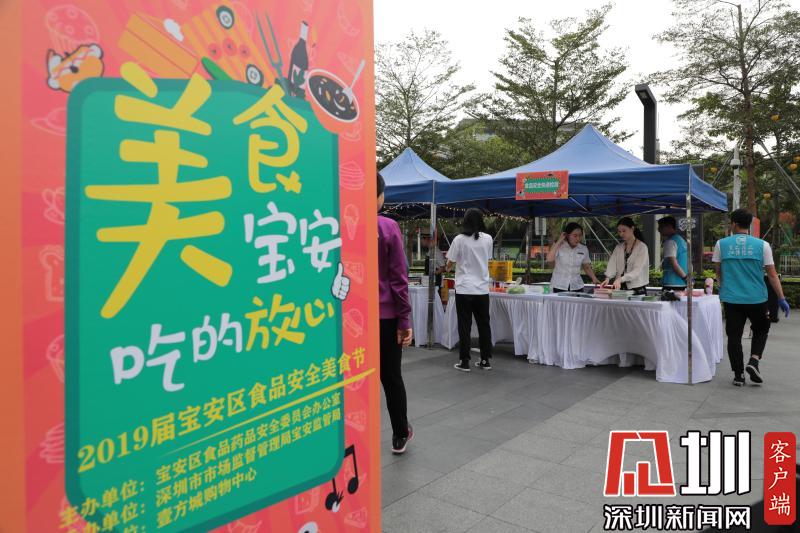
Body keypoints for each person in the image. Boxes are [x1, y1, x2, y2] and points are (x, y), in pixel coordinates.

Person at [712, 208, 790, 387]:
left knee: (734, 336)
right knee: (761, 329)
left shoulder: (721, 244)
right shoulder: (763, 245)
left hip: (732, 299)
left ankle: (738, 375)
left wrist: (723, 287)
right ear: (749, 225)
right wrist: (781, 298)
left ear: (734, 224)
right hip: (757, 299)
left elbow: (718, 272)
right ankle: (754, 361)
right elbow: (772, 275)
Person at [377, 173, 414, 453]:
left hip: (350, 318)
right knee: (391, 377)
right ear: (378, 196)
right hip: (386, 318)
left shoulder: (340, 224)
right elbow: (399, 279)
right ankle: (400, 433)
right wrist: (404, 319)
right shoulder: (387, 227)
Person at [446, 208, 493, 371]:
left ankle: (464, 361)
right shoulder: (488, 239)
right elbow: (487, 259)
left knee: (464, 325)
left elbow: (450, 262)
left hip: (464, 288)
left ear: (465, 221)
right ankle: (485, 360)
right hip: (482, 289)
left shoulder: (459, 239)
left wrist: (448, 267)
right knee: (484, 324)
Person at [601, 217, 650, 295]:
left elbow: (637, 270)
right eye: (619, 231)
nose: (621, 234)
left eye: (624, 231)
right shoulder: (618, 247)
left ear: (632, 229)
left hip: (637, 288)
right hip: (620, 287)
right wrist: (608, 278)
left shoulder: (642, 247)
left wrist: (621, 279)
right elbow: (612, 264)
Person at [547, 222, 600, 292]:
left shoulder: (583, 248)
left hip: (576, 286)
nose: (578, 238)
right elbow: (549, 259)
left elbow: (586, 266)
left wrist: (594, 278)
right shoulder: (559, 246)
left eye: (580, 235)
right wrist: (559, 240)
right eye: (575, 236)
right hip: (558, 285)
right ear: (567, 235)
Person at [657, 216, 689, 290]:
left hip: (671, 283)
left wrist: (685, 278)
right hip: (682, 283)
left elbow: (674, 264)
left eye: (661, 227)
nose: (658, 230)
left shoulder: (670, 242)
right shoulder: (681, 240)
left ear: (669, 226)